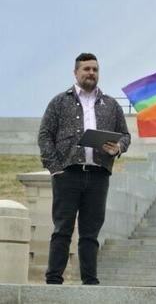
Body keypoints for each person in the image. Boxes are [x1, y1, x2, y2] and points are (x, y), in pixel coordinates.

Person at [38, 53, 131, 285]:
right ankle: (53, 280)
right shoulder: (59, 102)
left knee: (90, 233)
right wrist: (55, 168)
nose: (91, 73)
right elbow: (45, 136)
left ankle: (90, 282)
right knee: (62, 229)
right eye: (86, 69)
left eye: (95, 69)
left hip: (98, 175)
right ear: (76, 72)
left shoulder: (110, 104)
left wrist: (118, 147)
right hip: (67, 174)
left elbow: (126, 135)